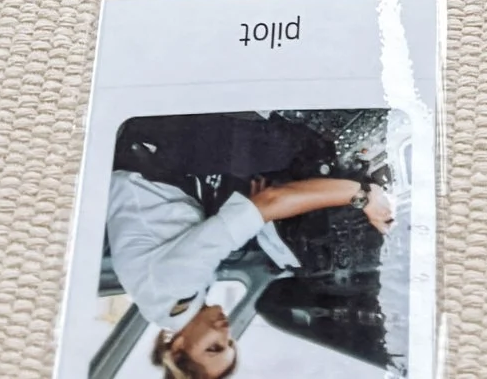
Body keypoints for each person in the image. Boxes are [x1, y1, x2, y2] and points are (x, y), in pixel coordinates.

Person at [106, 113, 396, 377]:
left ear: (179, 347)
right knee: (275, 169)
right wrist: (257, 211)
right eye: (229, 342)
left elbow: (270, 203)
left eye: (214, 346)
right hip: (165, 174)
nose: (226, 331)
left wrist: (363, 197)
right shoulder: (172, 305)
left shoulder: (174, 287)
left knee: (304, 149)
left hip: (151, 151)